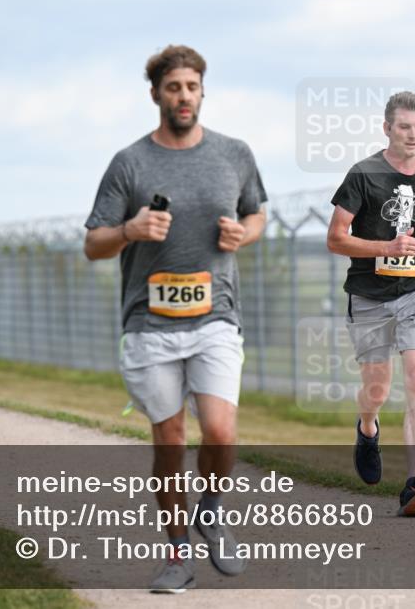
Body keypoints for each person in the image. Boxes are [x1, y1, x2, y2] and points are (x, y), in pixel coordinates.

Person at [84, 45, 267, 593]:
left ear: (202, 91)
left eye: (191, 87)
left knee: (220, 430)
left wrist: (243, 233)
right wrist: (130, 230)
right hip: (150, 323)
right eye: (173, 88)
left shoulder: (234, 153)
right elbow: (93, 244)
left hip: (216, 315)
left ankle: (210, 507)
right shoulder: (130, 162)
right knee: (169, 441)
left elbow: (256, 213)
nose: (183, 96)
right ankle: (178, 554)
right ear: (155, 95)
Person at [326, 91, 415, 517]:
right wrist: (386, 246)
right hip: (369, 295)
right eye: (404, 127)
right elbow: (335, 239)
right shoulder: (363, 175)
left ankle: (414, 484)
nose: (412, 135)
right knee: (377, 388)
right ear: (387, 128)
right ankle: (368, 429)